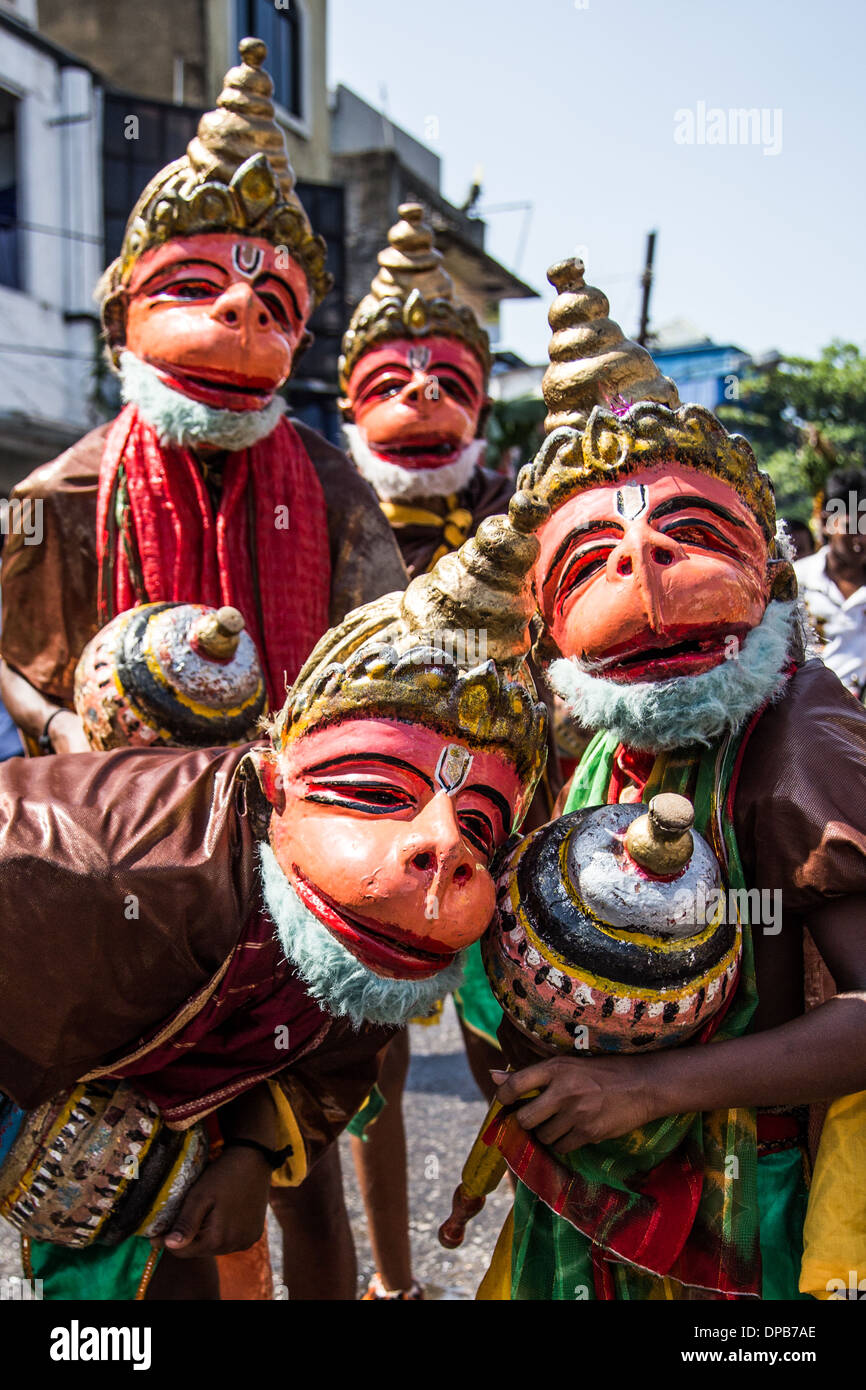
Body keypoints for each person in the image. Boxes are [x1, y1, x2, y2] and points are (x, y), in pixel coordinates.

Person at [0, 38, 407, 1299]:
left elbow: (384, 663)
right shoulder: (57, 496)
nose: (238, 315)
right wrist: (74, 738)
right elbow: (12, 673)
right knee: (140, 1206)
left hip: (296, 870)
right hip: (122, 886)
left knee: (304, 1187)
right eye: (197, 285)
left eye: (274, 302)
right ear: (126, 304)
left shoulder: (335, 489)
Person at [0, 508, 549, 1299]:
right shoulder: (84, 868)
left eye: (478, 826)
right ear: (272, 783)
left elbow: (339, 1050)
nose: (443, 851)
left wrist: (252, 1151)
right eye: (374, 792)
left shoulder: (386, 917)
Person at [471, 258, 866, 1300]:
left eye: (688, 536)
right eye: (591, 557)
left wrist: (646, 1086)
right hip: (597, 1187)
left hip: (741, 1207)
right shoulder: (586, 731)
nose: (640, 577)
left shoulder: (796, 727)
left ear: (765, 567)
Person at [794, 467, 866, 698]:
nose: (860, 539)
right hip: (809, 718)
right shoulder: (795, 581)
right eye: (851, 526)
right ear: (827, 522)